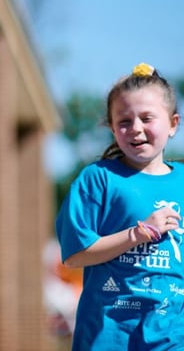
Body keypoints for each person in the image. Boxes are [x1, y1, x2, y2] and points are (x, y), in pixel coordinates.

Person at [56, 62, 183, 350]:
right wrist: (137, 234)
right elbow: (74, 255)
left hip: (172, 337)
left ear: (173, 124)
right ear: (113, 129)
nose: (136, 128)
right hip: (109, 336)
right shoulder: (98, 179)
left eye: (147, 118)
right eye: (124, 121)